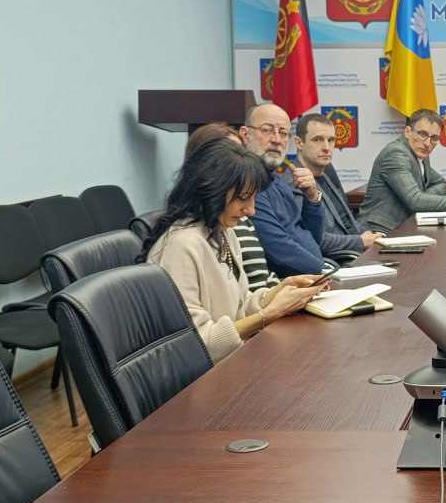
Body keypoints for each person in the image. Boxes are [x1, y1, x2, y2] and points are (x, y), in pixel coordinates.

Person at [141, 140, 329, 364]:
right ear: (211, 190)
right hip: (206, 375)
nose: (251, 210)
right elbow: (197, 345)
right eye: (242, 198)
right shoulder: (182, 245)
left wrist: (276, 293)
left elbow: (238, 306)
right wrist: (270, 313)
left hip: (234, 361)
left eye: (253, 198)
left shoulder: (222, 230)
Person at [358, 108, 446, 234]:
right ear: (407, 132)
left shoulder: (420, 153)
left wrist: (423, 199)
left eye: (434, 138)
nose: (427, 143)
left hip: (404, 227)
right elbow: (415, 200)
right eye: (422, 134)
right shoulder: (396, 154)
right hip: (379, 231)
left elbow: (441, 184)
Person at [185, 123, 278, 292]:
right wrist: (272, 304)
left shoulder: (227, 231)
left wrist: (280, 292)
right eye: (229, 153)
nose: (251, 210)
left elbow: (243, 297)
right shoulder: (185, 244)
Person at [237, 103, 325, 278]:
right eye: (267, 130)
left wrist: (312, 199)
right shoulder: (249, 185)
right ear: (245, 135)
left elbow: (312, 239)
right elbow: (279, 251)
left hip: (312, 276)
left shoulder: (279, 181)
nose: (276, 140)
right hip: (287, 284)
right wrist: (327, 272)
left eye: (283, 133)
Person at [289, 113, 382, 260]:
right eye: (318, 140)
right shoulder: (295, 181)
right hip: (339, 261)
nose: (327, 148)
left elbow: (348, 223)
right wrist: (360, 241)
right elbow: (315, 240)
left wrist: (373, 237)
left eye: (331, 140)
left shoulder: (326, 172)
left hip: (359, 252)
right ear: (299, 143)